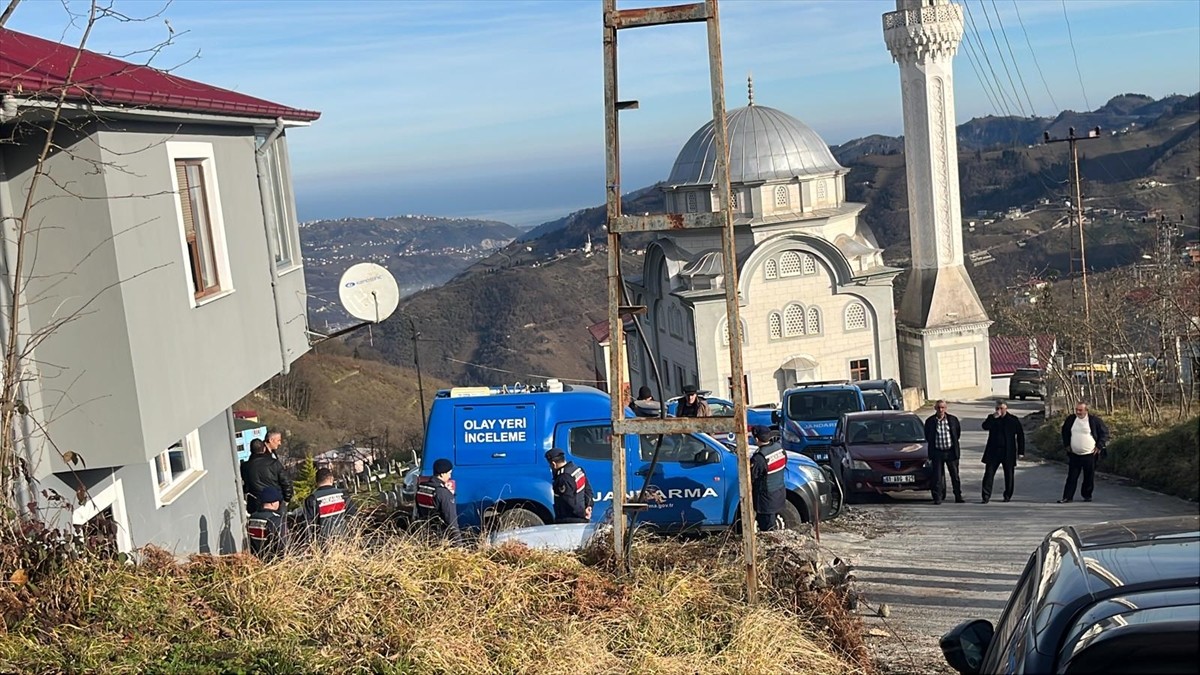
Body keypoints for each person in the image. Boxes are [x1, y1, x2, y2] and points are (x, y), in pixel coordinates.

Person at [1058, 402, 1110, 503]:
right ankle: (1067, 497)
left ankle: (1087, 495)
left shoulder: (1094, 421)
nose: (1078, 412)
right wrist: (1067, 445)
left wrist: (1099, 446)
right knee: (1071, 477)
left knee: (1089, 476)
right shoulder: (1071, 420)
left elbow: (1104, 433)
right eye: (1076, 410)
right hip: (1074, 454)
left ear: (1086, 410)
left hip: (1090, 454)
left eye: (1080, 410)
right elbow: (1065, 432)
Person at [981, 402, 1025, 503]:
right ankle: (986, 496)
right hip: (993, 451)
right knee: (989, 474)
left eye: (1001, 408)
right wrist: (993, 418)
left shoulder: (1013, 420)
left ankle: (1007, 495)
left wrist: (1021, 451)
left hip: (1008, 451)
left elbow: (1020, 435)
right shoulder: (992, 418)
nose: (999, 410)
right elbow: (985, 426)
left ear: (1006, 409)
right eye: (997, 408)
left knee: (1009, 474)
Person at [924, 400, 963, 504]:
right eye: (938, 408)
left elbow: (957, 434)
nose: (940, 410)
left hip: (951, 452)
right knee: (937, 476)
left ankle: (958, 496)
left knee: (954, 475)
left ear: (946, 408)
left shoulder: (953, 420)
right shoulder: (930, 421)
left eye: (942, 408)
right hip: (937, 452)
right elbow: (928, 435)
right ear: (935, 408)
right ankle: (938, 497)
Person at [241, 437, 293, 515]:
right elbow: (286, 482)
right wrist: (286, 499)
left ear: (251, 451)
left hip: (256, 503)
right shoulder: (274, 463)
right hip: (275, 502)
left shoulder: (245, 467)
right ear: (264, 449)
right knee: (278, 525)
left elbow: (246, 487)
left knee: (257, 525)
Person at [303, 468, 358, 541]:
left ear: (316, 481)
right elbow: (353, 515)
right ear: (332, 479)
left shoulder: (312, 499)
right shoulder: (343, 495)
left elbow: (308, 525)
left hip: (323, 542)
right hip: (345, 540)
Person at [414, 458, 461, 543]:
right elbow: (451, 521)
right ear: (442, 474)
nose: (450, 476)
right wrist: (458, 544)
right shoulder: (443, 493)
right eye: (449, 473)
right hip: (441, 540)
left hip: (426, 537)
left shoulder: (421, 488)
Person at [749, 425, 786, 531]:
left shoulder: (759, 458)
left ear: (756, 439)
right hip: (779, 494)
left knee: (768, 529)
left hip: (766, 500)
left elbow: (751, 477)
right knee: (772, 524)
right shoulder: (779, 449)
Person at [546, 448, 593, 524]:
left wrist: (583, 513)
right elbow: (588, 491)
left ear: (553, 464)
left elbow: (568, 501)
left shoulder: (563, 478)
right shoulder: (577, 469)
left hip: (570, 520)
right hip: (581, 517)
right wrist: (589, 506)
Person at [247, 486, 286, 561]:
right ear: (272, 503)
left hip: (255, 559)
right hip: (272, 561)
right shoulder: (275, 519)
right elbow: (282, 544)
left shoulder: (252, 517)